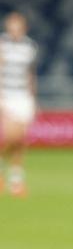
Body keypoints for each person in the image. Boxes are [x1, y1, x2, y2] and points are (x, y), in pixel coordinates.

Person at [0, 11, 38, 197]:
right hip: (6, 95)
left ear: (24, 29)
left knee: (21, 141)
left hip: (24, 97)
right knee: (12, 137)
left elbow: (30, 74)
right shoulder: (2, 44)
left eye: (18, 27)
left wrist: (33, 97)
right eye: (12, 27)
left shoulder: (29, 46)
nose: (15, 31)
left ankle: (16, 181)